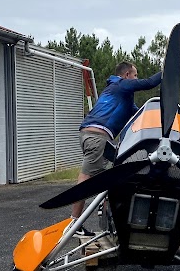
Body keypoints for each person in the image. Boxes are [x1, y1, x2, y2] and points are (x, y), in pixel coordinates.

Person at [68, 61, 162, 235]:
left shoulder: (122, 96)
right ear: (127, 75)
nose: (137, 78)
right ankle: (73, 224)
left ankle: (107, 214)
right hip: (97, 136)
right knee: (88, 177)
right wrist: (167, 71)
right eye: (135, 75)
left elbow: (141, 115)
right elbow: (149, 83)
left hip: (95, 136)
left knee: (116, 175)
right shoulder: (121, 84)